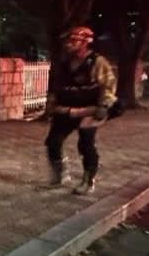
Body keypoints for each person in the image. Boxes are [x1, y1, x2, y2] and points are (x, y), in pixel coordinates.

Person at [44, 25, 117, 195]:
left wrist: (104, 105)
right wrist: (52, 104)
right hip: (66, 109)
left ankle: (88, 180)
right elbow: (57, 86)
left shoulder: (97, 61)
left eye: (74, 41)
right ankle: (60, 175)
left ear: (85, 42)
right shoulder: (65, 63)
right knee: (53, 142)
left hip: (89, 110)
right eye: (68, 41)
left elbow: (108, 85)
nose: (69, 44)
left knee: (86, 143)